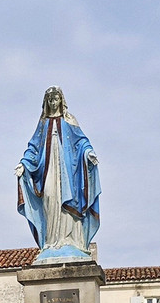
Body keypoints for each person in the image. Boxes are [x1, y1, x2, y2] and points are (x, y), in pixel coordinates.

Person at [15, 86, 100, 261]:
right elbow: (33, 147)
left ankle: (70, 241)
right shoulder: (43, 124)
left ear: (62, 100)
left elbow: (82, 142)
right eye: (50, 100)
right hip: (48, 172)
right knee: (50, 198)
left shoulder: (70, 121)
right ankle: (51, 241)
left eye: (56, 99)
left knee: (66, 204)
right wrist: (23, 164)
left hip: (69, 175)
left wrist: (88, 154)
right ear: (46, 103)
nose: (53, 103)